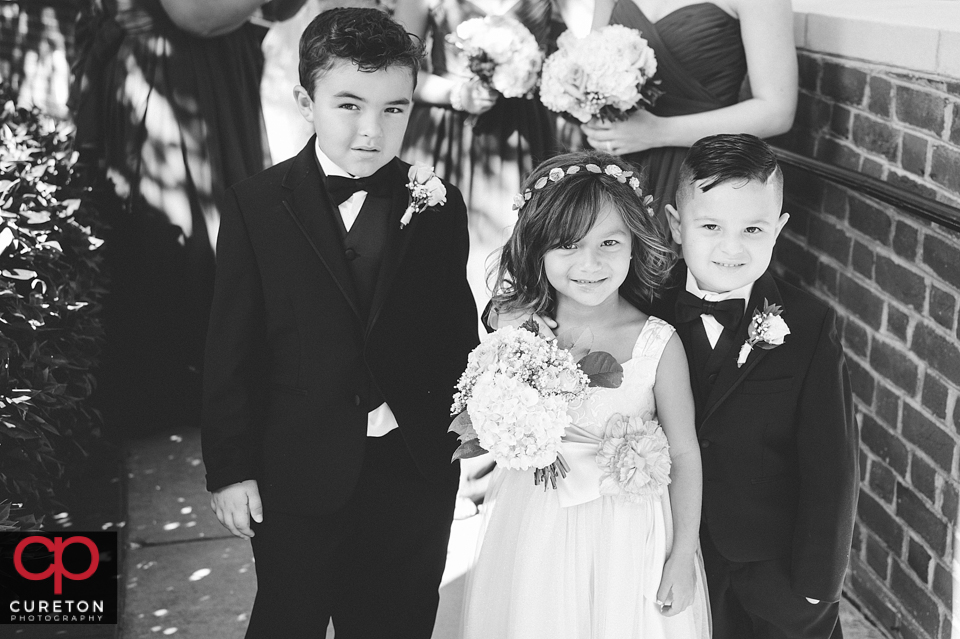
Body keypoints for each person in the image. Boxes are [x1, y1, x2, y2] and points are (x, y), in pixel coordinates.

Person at [200, 9, 479, 638]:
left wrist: (467, 428)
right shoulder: (256, 207)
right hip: (295, 472)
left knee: (397, 622)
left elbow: (454, 332)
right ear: (307, 101)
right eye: (349, 105)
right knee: (286, 619)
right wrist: (230, 469)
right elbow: (230, 349)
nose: (371, 130)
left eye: (394, 109)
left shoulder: (436, 202)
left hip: (412, 472)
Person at [463, 151, 710, 639]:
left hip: (631, 533)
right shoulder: (521, 335)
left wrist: (683, 553)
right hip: (538, 522)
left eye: (610, 242)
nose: (590, 263)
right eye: (568, 245)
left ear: (635, 246)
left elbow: (684, 451)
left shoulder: (657, 343)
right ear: (537, 249)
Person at [652, 133, 859, 638]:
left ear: (778, 230)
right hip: (662, 550)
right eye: (710, 226)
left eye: (752, 228)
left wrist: (818, 584)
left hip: (774, 573)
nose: (731, 246)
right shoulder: (642, 308)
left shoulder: (809, 324)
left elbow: (832, 464)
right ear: (677, 226)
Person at [70, 0, 306, 435]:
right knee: (184, 233)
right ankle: (167, 395)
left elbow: (279, 11)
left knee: (229, 230)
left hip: (220, 72)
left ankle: (219, 388)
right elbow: (192, 14)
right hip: (170, 75)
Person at [393, 0, 560, 309]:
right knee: (433, 249)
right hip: (446, 132)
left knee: (512, 251)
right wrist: (458, 95)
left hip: (522, 135)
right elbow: (397, 72)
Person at [581, 0, 797, 228]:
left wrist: (656, 132)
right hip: (618, 166)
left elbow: (777, 112)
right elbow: (590, 67)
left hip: (700, 170)